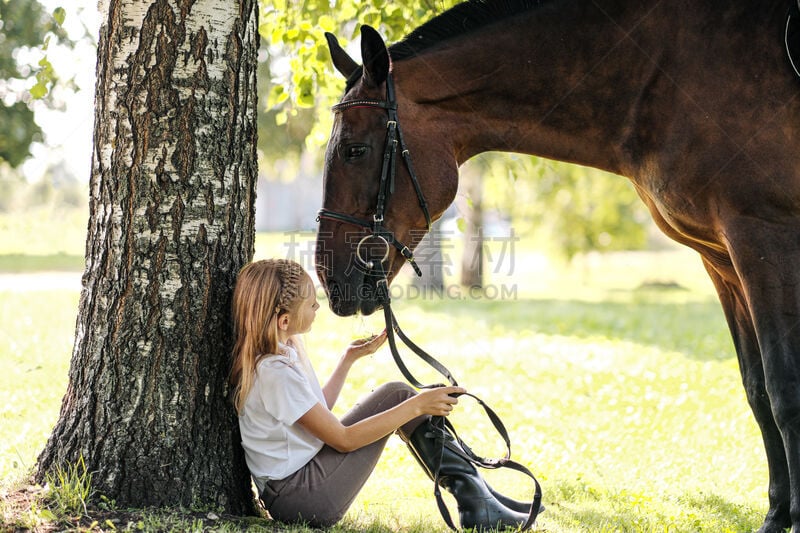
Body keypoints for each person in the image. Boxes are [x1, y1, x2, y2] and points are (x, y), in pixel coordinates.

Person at [229, 258, 531, 529]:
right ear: (284, 321)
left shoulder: (283, 349)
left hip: (303, 478)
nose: (318, 308)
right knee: (403, 400)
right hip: (302, 498)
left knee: (397, 393)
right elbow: (344, 440)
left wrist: (348, 359)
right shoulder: (274, 373)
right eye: (311, 305)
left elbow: (316, 410)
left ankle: (478, 498)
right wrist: (417, 407)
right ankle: (477, 502)